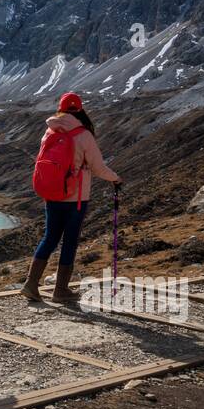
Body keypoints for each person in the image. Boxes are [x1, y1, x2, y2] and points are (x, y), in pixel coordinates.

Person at [20, 91, 121, 302]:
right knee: (69, 242)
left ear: (61, 108)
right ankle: (61, 290)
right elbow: (97, 167)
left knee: (49, 237)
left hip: (51, 195)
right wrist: (115, 179)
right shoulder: (83, 135)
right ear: (80, 109)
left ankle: (31, 284)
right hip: (75, 199)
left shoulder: (49, 131)